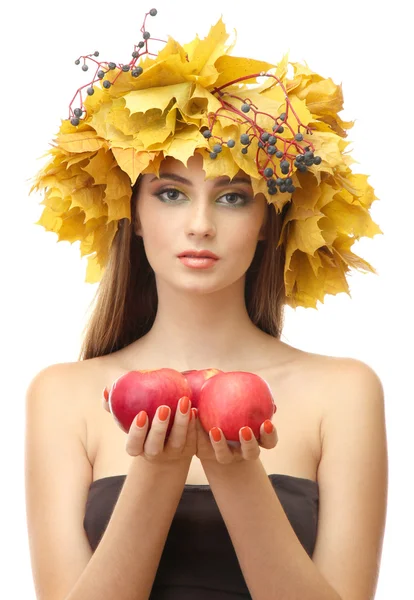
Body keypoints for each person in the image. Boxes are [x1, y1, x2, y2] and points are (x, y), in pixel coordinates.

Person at [24, 8, 388, 600]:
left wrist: (236, 471)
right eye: (170, 193)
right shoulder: (61, 395)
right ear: (134, 216)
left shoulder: (345, 393)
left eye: (233, 197)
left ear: (269, 222)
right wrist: (159, 470)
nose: (199, 225)